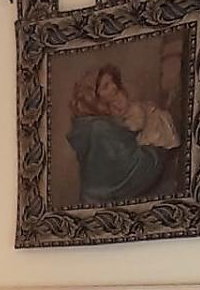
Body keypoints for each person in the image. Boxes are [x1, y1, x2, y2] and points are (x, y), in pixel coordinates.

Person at [65, 64, 176, 204]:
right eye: (105, 86)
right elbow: (133, 171)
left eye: (113, 83)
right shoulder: (99, 129)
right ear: (92, 96)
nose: (113, 87)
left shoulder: (94, 124)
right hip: (104, 204)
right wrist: (158, 153)